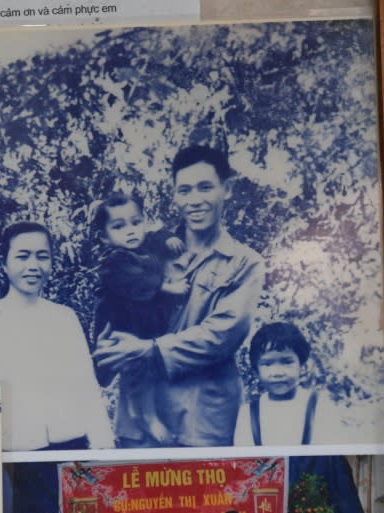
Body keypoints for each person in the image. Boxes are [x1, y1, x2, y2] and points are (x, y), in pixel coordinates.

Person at [94, 145, 264, 447]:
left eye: (205, 187)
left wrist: (149, 350)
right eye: (184, 190)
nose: (194, 200)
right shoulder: (145, 251)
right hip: (139, 425)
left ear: (226, 189)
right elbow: (113, 310)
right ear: (174, 195)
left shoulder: (244, 262)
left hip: (200, 420)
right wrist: (107, 347)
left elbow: (221, 335)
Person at [0, 221, 113, 451]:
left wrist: (104, 446)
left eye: (42, 256)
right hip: (17, 453)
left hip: (72, 447)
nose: (33, 266)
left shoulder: (65, 318)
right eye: (23, 256)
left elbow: (87, 387)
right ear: (4, 263)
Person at [91, 191, 188, 446]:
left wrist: (170, 240)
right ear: (105, 236)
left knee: (150, 365)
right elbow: (133, 281)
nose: (131, 231)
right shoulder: (114, 260)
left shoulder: (147, 244)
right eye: (119, 226)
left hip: (142, 327)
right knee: (137, 368)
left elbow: (160, 235)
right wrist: (166, 287)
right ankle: (147, 417)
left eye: (136, 222)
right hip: (119, 324)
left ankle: (148, 413)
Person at [234, 322, 319, 446]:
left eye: (287, 362)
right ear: (256, 371)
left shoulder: (318, 406)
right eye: (267, 364)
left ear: (302, 366)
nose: (277, 372)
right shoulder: (248, 412)